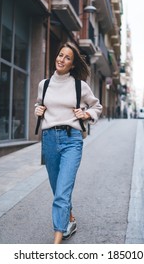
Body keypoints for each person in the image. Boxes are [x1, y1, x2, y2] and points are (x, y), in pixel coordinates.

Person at [35, 41, 102, 244]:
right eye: (60, 55)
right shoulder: (44, 84)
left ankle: (57, 240)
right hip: (48, 140)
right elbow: (40, 104)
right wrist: (37, 109)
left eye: (67, 58)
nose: (61, 59)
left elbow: (97, 106)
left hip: (71, 140)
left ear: (72, 64)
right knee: (58, 189)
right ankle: (69, 219)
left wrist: (86, 113)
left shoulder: (79, 86)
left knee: (62, 192)